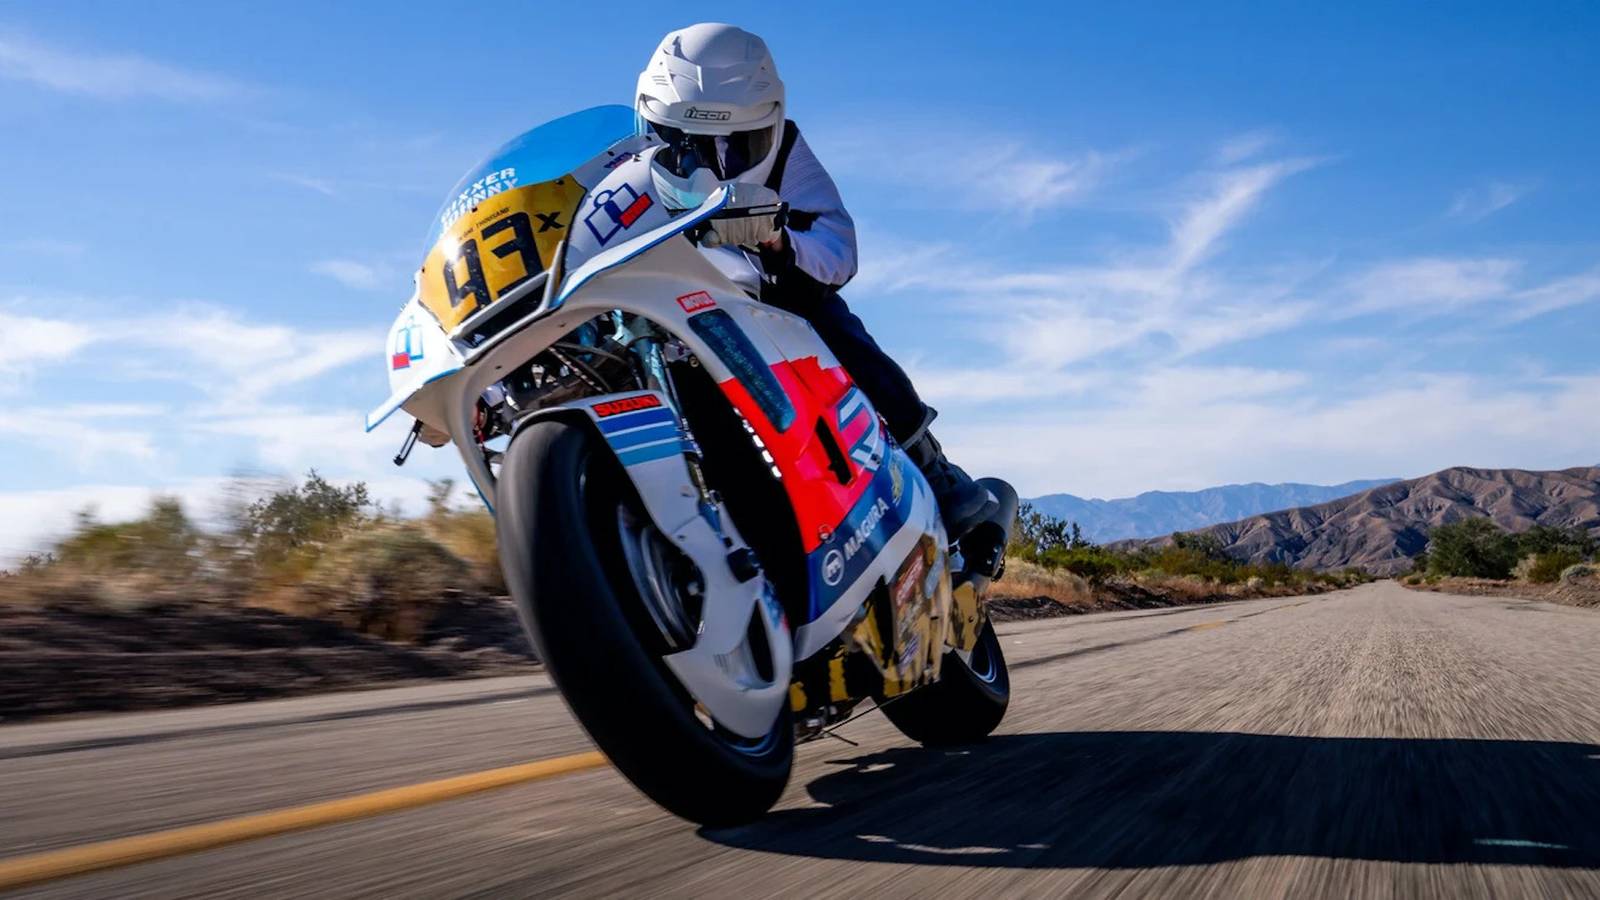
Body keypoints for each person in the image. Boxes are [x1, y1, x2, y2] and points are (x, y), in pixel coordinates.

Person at [635, 22, 997, 538]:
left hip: (760, 299)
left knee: (827, 317)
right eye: (683, 141)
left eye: (735, 143)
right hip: (664, 301)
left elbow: (839, 248)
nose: (711, 160)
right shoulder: (621, 161)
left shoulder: (786, 151)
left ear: (768, 120)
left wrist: (776, 240)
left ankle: (929, 466)